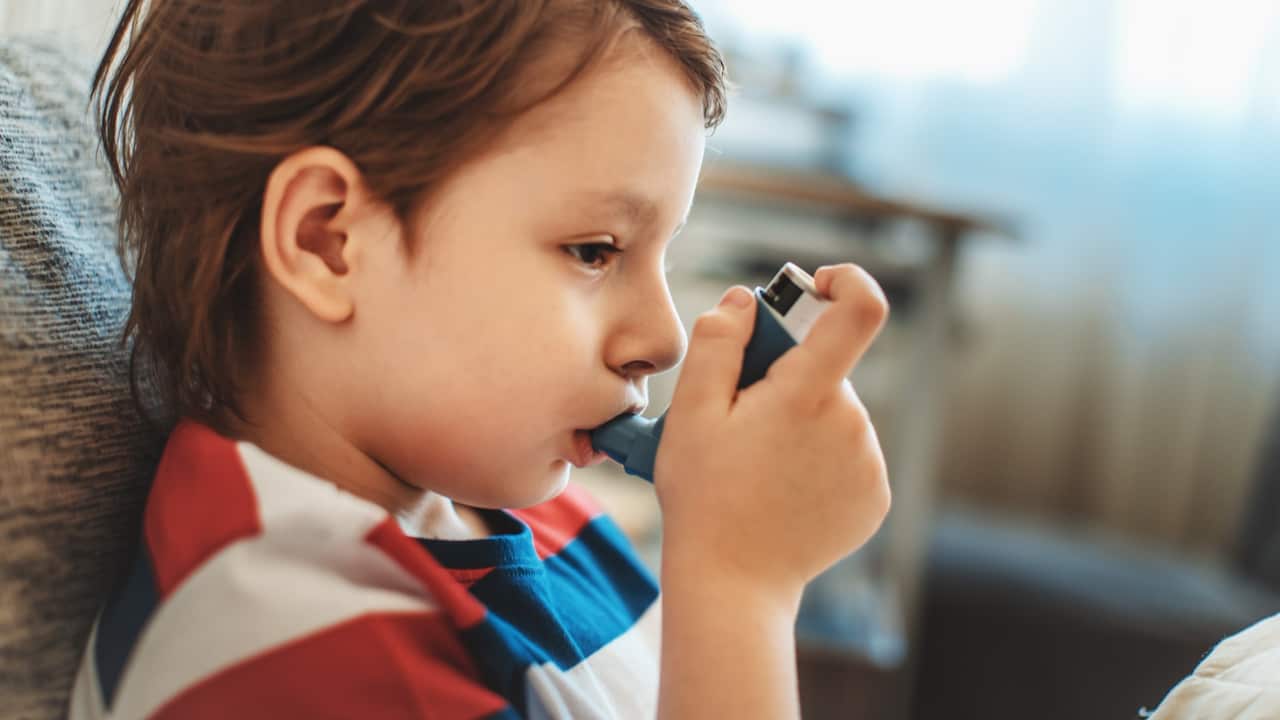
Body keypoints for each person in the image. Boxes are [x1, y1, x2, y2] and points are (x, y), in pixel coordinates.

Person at [67, 1, 892, 718]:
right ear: (329, 242)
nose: (666, 338)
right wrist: (743, 584)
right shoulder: (280, 654)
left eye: (662, 254)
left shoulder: (519, 506)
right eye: (595, 250)